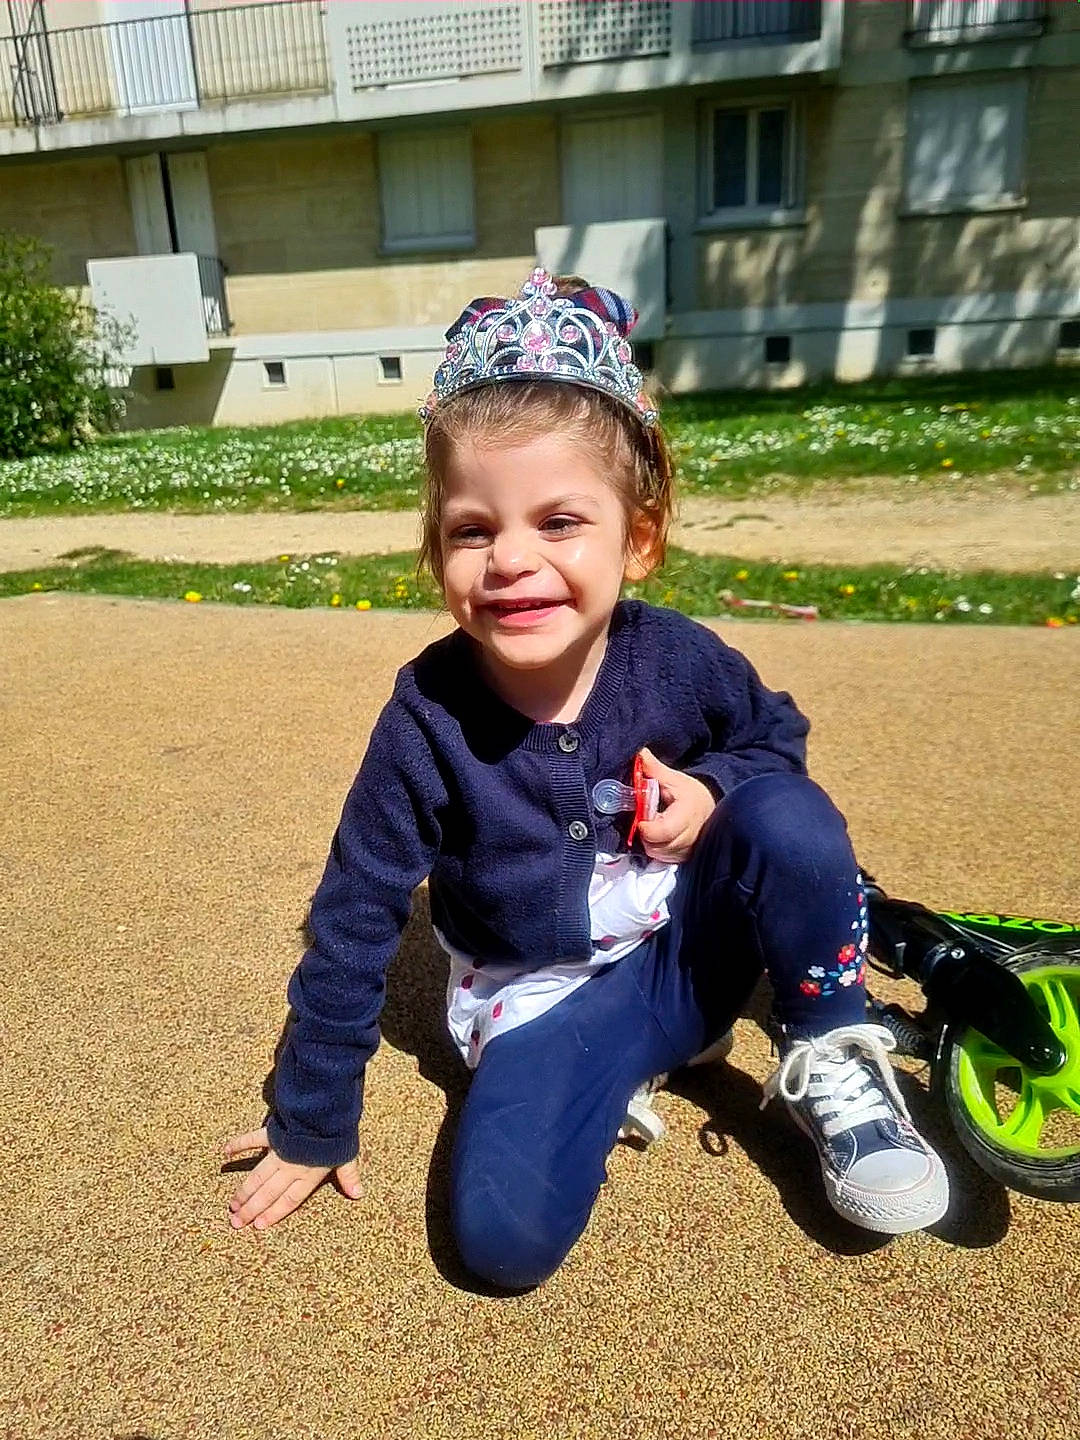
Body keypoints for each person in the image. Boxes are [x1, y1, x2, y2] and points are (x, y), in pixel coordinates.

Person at [225, 268, 949, 1286]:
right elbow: (352, 914)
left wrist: (714, 789)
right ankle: (628, 1057)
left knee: (783, 812)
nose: (511, 559)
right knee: (500, 1245)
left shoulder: (679, 659)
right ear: (437, 551)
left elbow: (775, 734)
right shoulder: (426, 715)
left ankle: (827, 1032)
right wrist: (310, 1117)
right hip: (543, 1003)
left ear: (637, 539)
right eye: (474, 529)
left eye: (559, 522)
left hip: (693, 949)